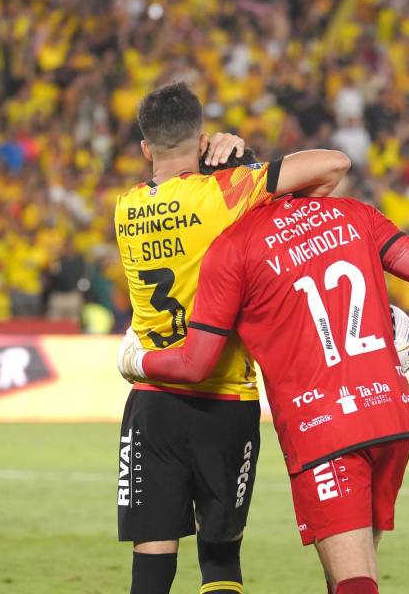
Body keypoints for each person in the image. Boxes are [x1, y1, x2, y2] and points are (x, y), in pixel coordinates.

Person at [118, 194, 409, 594]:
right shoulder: (352, 211)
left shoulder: (234, 245)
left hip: (323, 425)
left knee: (353, 581)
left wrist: (136, 360)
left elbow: (197, 363)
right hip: (390, 412)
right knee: (355, 570)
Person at [115, 81, 351, 594]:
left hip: (154, 403)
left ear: (144, 149)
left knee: (150, 567)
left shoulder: (126, 208)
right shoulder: (228, 193)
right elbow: (332, 166)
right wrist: (242, 156)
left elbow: (179, 199)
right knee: (221, 560)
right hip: (226, 402)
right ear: (201, 142)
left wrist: (215, 160)